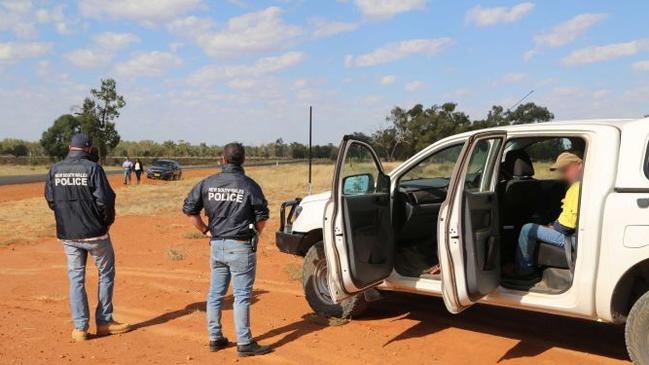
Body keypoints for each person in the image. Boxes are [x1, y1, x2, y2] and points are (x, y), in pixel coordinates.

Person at [182, 142, 271, 357]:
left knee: (215, 294)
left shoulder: (207, 183)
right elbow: (262, 217)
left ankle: (215, 338)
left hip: (217, 245)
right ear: (243, 160)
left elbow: (190, 210)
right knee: (241, 295)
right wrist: (256, 234)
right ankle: (244, 343)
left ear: (223, 159)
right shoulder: (249, 185)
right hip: (240, 246)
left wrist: (205, 231)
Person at [44, 133, 130, 342]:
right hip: (95, 234)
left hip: (69, 234)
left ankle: (80, 328)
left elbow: (50, 199)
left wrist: (67, 218)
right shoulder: (93, 168)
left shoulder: (55, 169)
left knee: (76, 278)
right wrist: (106, 222)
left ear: (70, 147)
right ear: (89, 148)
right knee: (105, 274)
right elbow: (106, 200)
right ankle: (104, 321)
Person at [514, 151, 583, 278]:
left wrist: (552, 227)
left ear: (579, 165)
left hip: (574, 239)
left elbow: (566, 228)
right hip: (579, 235)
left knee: (527, 229)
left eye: (566, 170)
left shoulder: (577, 188)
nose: (564, 175)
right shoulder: (587, 184)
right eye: (562, 171)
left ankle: (525, 271)